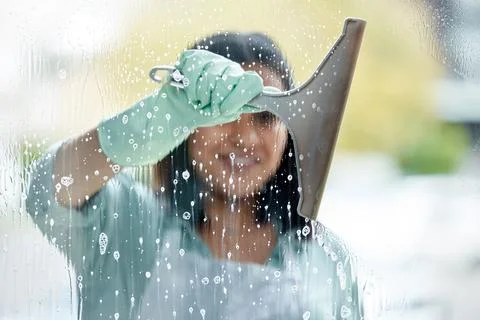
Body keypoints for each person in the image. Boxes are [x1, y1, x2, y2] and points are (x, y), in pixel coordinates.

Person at [26, 32, 364, 319]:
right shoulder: (129, 223)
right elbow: (46, 189)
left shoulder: (326, 259)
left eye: (264, 117)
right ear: (184, 126)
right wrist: (126, 135)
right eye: (222, 113)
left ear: (287, 133)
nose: (243, 137)